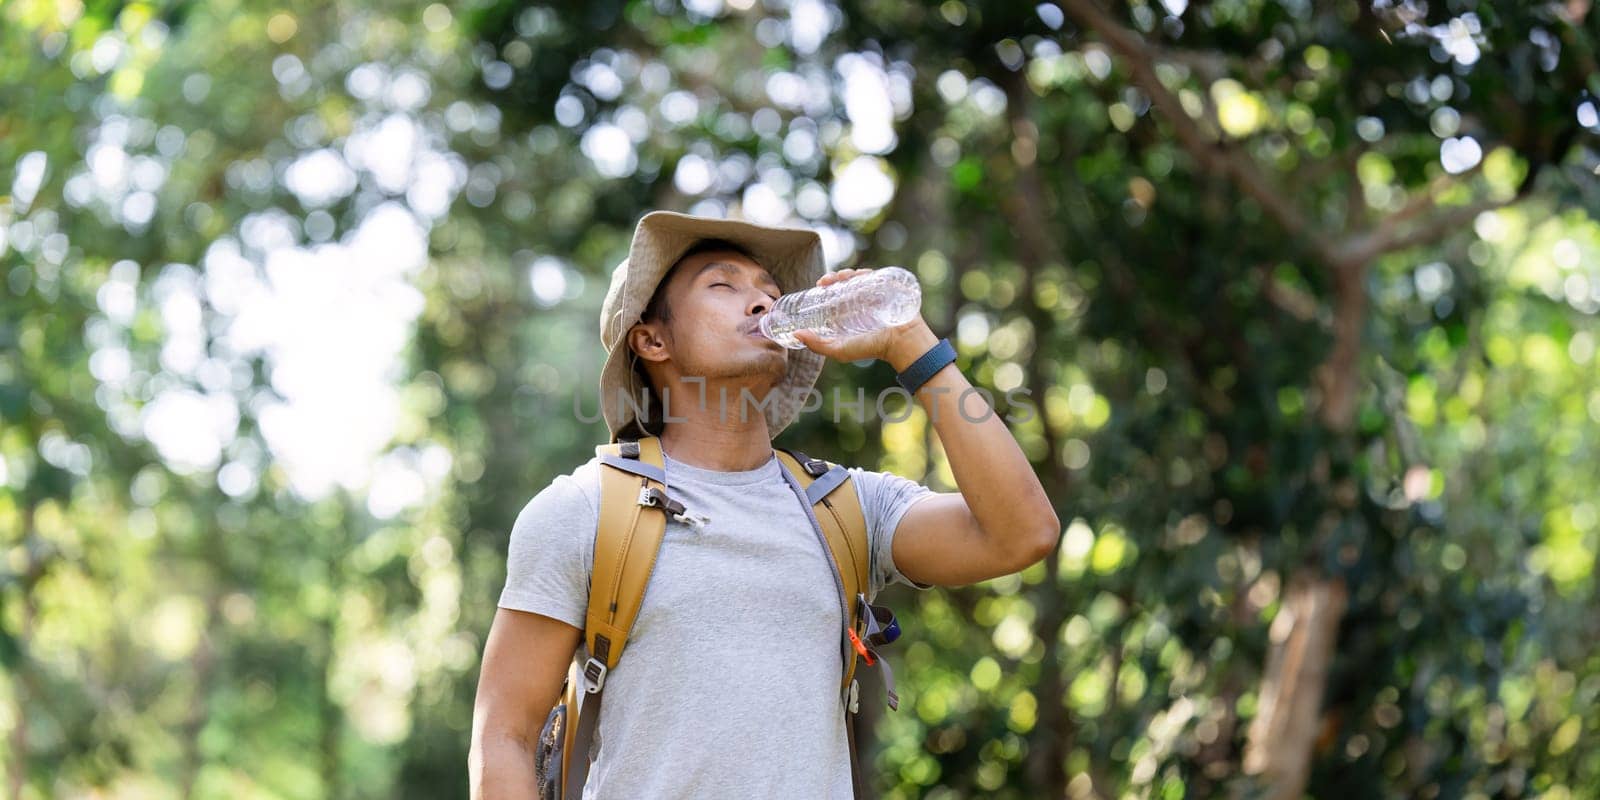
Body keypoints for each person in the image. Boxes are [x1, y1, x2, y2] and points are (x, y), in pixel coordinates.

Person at [468, 211, 1059, 799]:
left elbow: (1022, 532)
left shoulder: (847, 507)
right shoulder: (584, 512)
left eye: (771, 293)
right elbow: (505, 737)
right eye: (723, 286)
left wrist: (911, 344)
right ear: (652, 339)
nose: (761, 304)